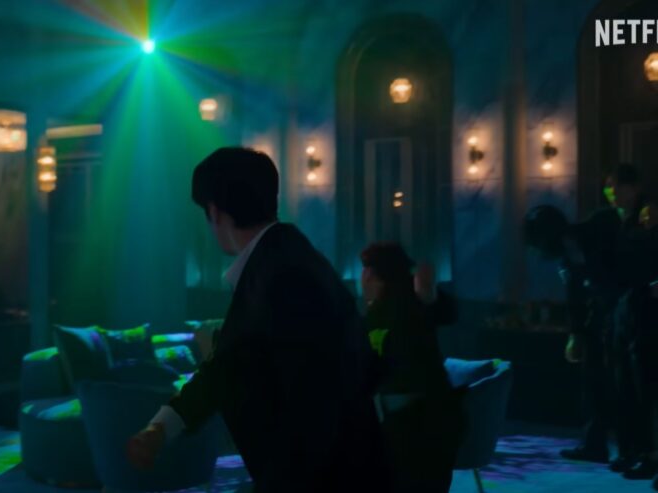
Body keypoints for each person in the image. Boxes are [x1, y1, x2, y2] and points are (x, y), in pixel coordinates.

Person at [125, 147, 390, 492]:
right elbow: (233, 362)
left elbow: (307, 398)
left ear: (215, 212)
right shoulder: (286, 258)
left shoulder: (279, 275)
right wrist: (162, 428)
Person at [607, 164, 658, 491]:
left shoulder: (652, 217)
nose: (612, 193)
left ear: (632, 187)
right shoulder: (626, 222)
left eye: (616, 187)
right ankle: (647, 454)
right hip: (632, 318)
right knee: (636, 391)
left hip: (657, 320)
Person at [360, 242, 463, 493]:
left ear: (372, 274)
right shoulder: (378, 311)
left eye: (365, 271)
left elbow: (441, 310)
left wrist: (430, 296)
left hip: (418, 427)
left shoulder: (407, 301)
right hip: (415, 424)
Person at [524, 204, 621, 464]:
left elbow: (611, 278)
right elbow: (574, 296)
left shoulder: (595, 232)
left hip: (619, 319)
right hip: (596, 324)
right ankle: (595, 445)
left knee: (620, 386)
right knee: (592, 385)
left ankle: (629, 449)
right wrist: (575, 333)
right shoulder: (569, 256)